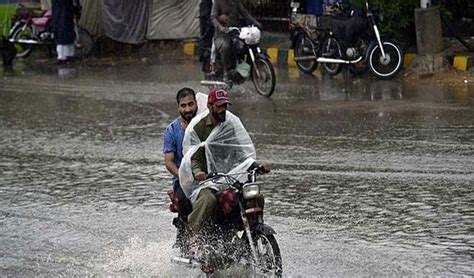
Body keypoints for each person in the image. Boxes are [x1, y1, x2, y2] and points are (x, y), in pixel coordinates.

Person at [179, 88, 270, 244]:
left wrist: (256, 164)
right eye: (219, 106)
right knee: (208, 200)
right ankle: (194, 237)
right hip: (204, 181)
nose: (223, 110)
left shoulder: (230, 124)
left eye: (225, 106)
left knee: (254, 196)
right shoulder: (198, 127)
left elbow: (240, 151)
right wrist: (198, 172)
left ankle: (251, 232)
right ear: (210, 105)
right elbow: (192, 157)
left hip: (227, 176)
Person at [163, 87, 198, 250]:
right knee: (184, 200)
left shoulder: (203, 124)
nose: (188, 109)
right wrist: (183, 176)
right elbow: (169, 162)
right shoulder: (171, 130)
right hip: (182, 181)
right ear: (178, 107)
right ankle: (185, 237)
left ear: (197, 104)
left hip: (206, 177)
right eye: (183, 105)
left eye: (191, 104)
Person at [210, 0, 261, 80]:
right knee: (225, 46)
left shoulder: (236, 2)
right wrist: (220, 27)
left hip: (235, 32)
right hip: (221, 35)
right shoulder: (218, 2)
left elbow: (245, 14)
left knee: (244, 44)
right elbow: (213, 17)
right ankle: (225, 72)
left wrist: (255, 22)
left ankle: (243, 66)